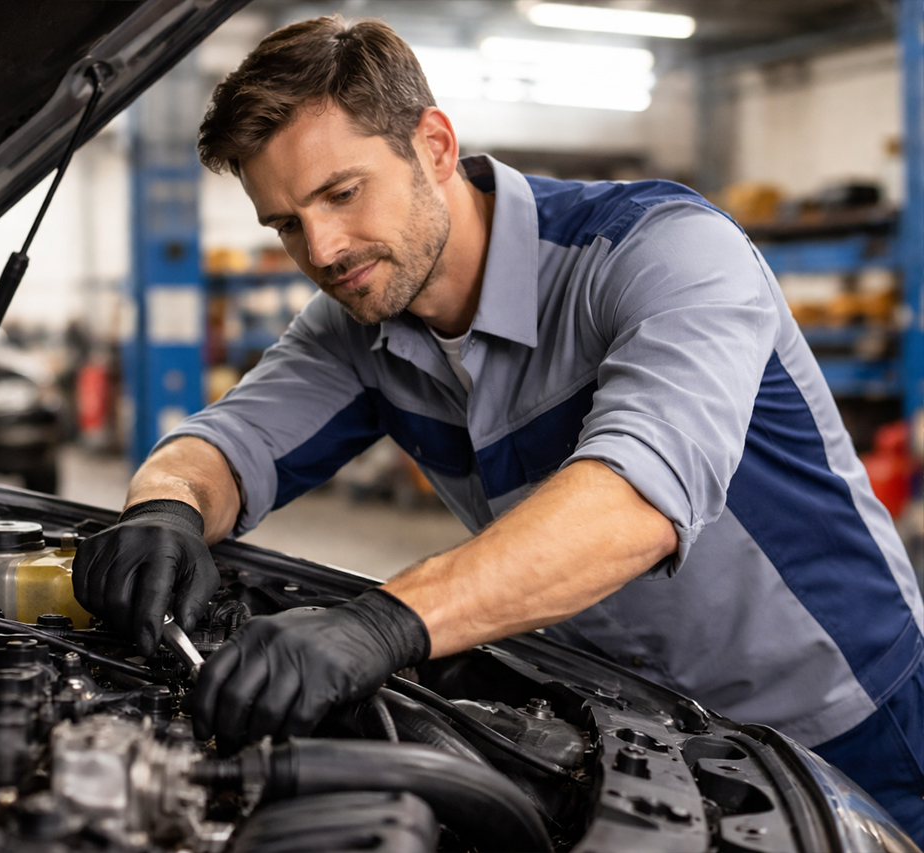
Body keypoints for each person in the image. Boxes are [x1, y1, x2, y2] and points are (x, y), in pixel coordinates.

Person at [73, 16, 924, 840]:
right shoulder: (361, 323)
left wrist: (383, 621)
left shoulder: (662, 252)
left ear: (434, 147)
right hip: (644, 739)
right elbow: (229, 443)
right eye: (287, 223)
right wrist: (167, 510)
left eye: (342, 193)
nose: (323, 249)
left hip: (849, 727)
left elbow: (634, 503)